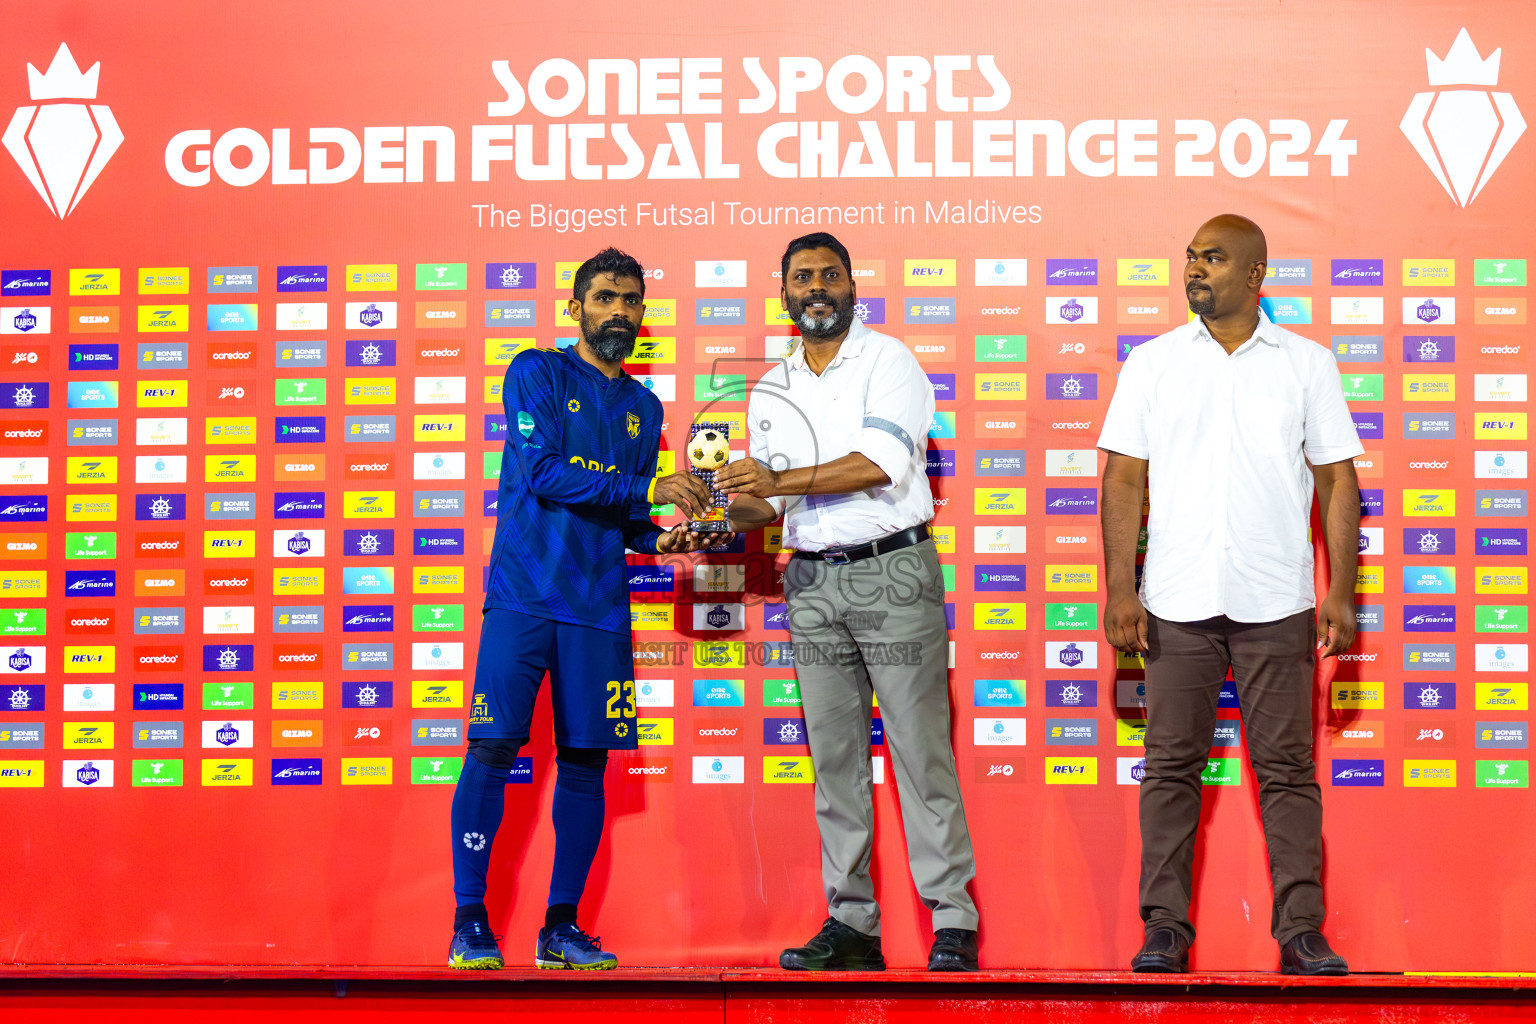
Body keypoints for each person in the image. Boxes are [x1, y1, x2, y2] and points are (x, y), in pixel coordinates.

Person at [448, 247, 729, 970]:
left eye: (630, 301)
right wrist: (649, 492)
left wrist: (675, 535)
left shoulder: (644, 407)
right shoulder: (534, 370)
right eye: (604, 298)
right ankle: (470, 921)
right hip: (522, 596)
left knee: (585, 763)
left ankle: (560, 929)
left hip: (599, 609)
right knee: (491, 749)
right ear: (575, 308)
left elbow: (633, 525)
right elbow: (542, 473)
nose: (619, 313)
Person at [1098, 215, 1362, 976]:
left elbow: (1337, 478)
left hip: (1276, 600)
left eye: (1212, 259)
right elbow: (1123, 478)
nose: (1195, 270)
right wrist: (1122, 588)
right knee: (1170, 770)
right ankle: (1164, 932)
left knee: (1287, 774)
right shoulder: (1152, 364)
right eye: (1189, 258)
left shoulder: (1307, 364)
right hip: (1175, 600)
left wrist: (1338, 593)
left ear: (1254, 275)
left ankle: (1301, 931)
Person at [717, 232, 980, 972]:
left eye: (829, 275)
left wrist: (775, 483)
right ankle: (852, 923)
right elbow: (768, 507)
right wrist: (719, 509)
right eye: (802, 278)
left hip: (891, 572)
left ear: (851, 287)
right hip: (809, 579)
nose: (816, 288)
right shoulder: (770, 386)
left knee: (920, 751)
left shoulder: (889, 359)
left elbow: (881, 464)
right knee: (833, 759)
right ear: (784, 294)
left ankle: (953, 920)